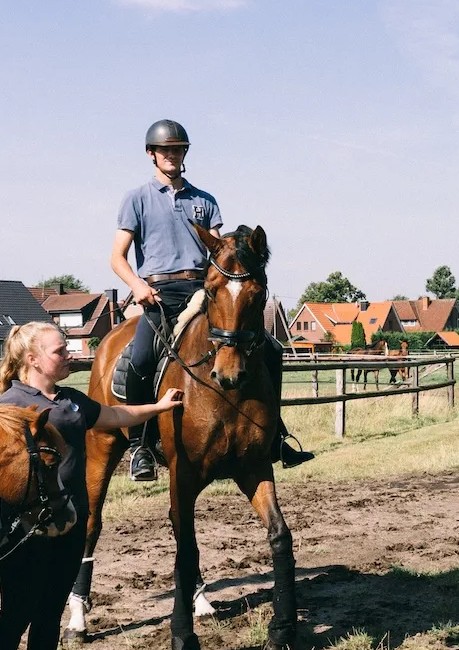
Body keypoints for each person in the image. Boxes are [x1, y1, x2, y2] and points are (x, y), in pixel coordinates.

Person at [0, 321, 183, 650]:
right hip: (23, 529)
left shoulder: (72, 401)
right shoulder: (6, 407)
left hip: (71, 523)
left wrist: (158, 407)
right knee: (15, 615)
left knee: (49, 613)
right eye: (60, 351)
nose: (70, 356)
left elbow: (115, 415)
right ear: (32, 359)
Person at [109, 118, 311, 482]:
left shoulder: (205, 201)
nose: (172, 155)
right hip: (158, 293)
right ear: (152, 154)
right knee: (140, 358)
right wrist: (137, 285)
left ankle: (277, 436)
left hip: (204, 290)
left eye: (178, 150)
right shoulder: (136, 198)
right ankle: (140, 446)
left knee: (270, 348)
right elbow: (116, 257)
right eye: (165, 150)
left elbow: (220, 250)